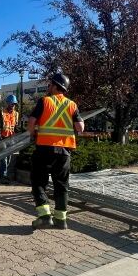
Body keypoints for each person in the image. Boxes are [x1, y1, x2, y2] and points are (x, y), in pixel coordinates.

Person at [27, 73, 84, 230]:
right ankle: (61, 220)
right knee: (62, 185)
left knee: (38, 182)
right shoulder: (72, 105)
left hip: (44, 149)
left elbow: (31, 122)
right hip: (64, 151)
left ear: (55, 86)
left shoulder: (45, 101)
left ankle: (45, 216)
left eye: (50, 84)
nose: (48, 87)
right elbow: (80, 128)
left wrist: (32, 134)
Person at [0, 94, 19, 184]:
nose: (12, 105)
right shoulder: (2, 112)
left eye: (14, 104)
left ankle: (1, 173)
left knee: (8, 158)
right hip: (3, 138)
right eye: (11, 104)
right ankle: (4, 176)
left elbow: (16, 126)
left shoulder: (16, 114)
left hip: (11, 138)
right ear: (8, 103)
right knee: (4, 158)